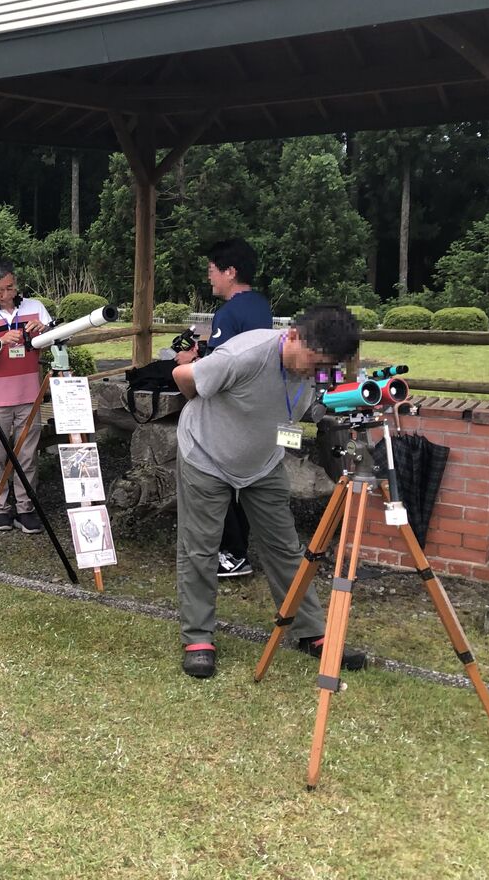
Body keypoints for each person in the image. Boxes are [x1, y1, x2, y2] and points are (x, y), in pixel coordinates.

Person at [171, 304, 368, 679]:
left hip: (263, 462)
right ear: (292, 335)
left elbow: (310, 402)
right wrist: (201, 406)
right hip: (206, 455)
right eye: (313, 362)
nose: (314, 372)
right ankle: (198, 638)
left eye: (323, 366)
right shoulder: (243, 355)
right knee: (200, 548)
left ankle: (311, 632)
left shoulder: (317, 366)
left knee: (285, 547)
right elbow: (182, 374)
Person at [174, 239, 274, 580]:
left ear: (230, 272)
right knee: (243, 482)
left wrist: (188, 363)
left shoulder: (228, 313)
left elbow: (216, 373)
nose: (210, 278)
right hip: (255, 410)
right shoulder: (260, 305)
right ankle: (238, 549)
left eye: (212, 270)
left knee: (215, 479)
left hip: (227, 413)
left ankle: (231, 553)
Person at [0, 259, 53, 533]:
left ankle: (26, 508)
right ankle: (0, 508)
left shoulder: (35, 307)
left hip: (29, 394)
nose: (5, 294)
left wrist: (44, 331)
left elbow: (55, 340)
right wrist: (0, 342)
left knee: (27, 456)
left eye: (10, 287)